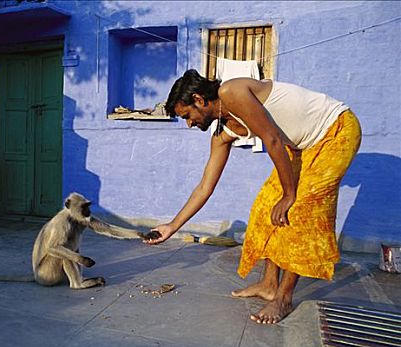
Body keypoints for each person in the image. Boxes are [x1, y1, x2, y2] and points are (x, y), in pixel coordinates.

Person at [144, 69, 361, 324]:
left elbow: (271, 140)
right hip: (302, 146)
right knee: (265, 206)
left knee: (300, 210)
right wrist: (173, 225)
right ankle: (269, 284)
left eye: (187, 116)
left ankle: (283, 298)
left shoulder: (231, 91)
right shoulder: (222, 135)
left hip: (336, 130)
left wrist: (290, 194)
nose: (189, 123)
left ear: (199, 99)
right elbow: (205, 186)